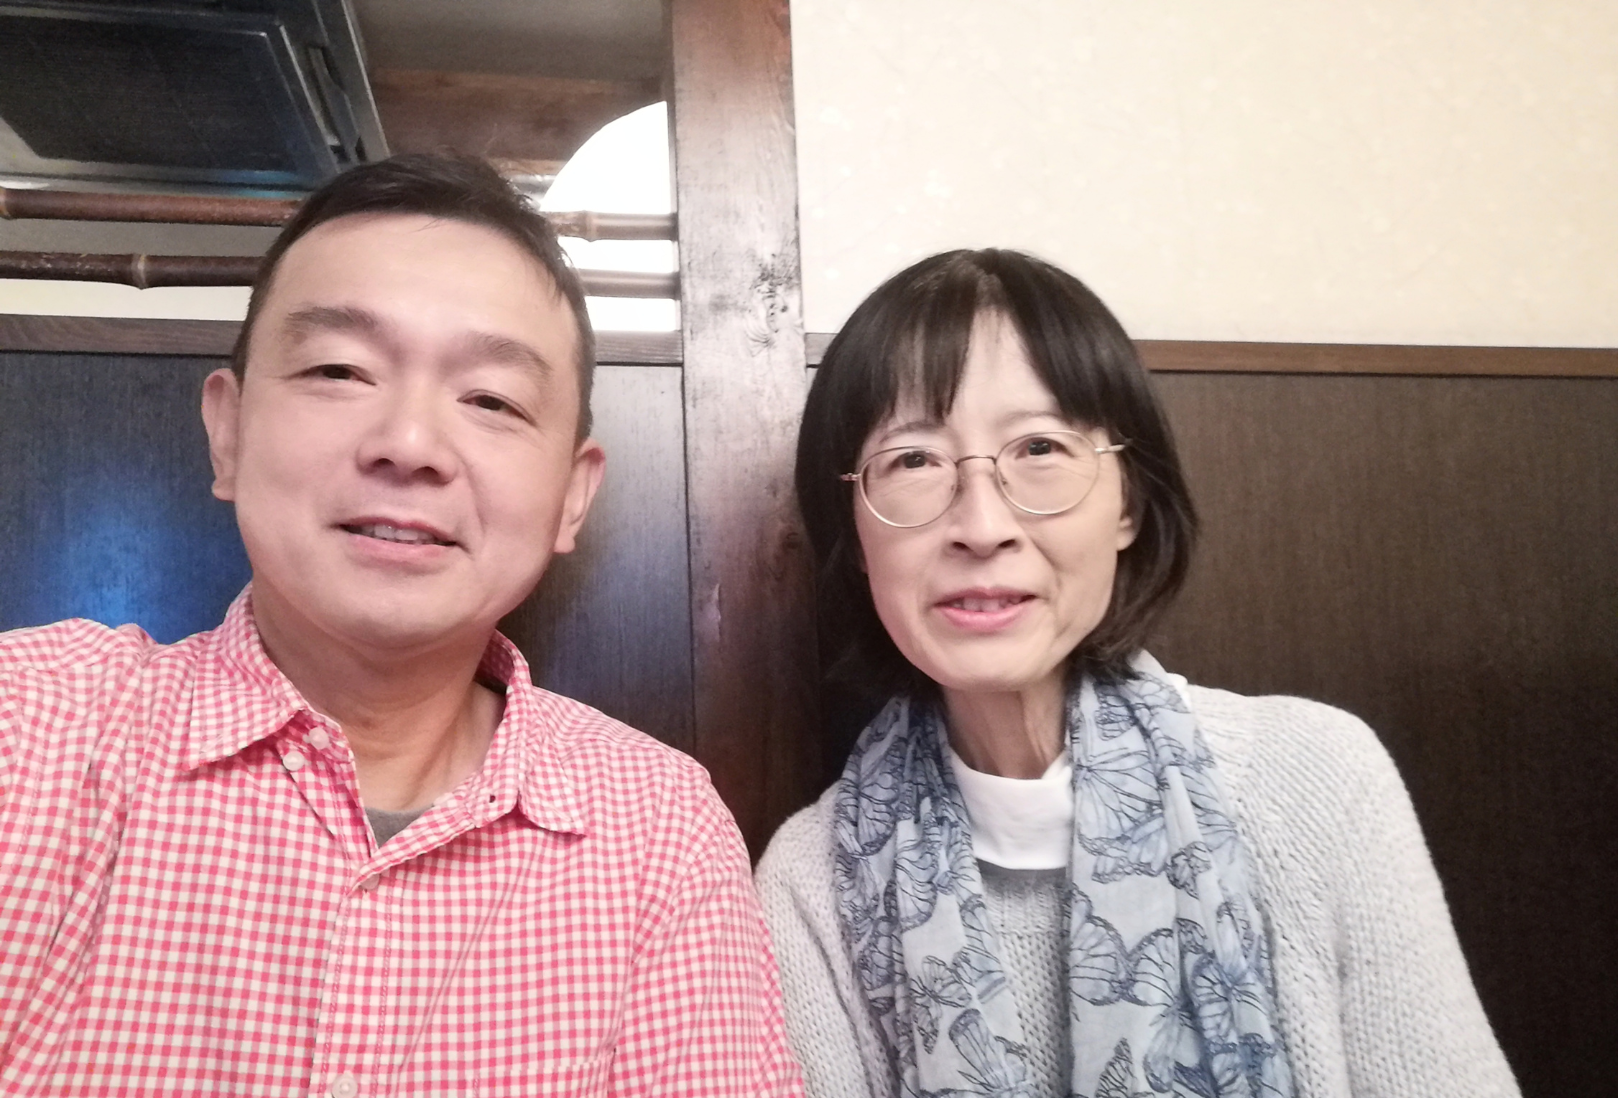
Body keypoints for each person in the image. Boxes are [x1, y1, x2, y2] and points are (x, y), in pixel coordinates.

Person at [0, 154, 802, 1097]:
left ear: (571, 498)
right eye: (339, 369)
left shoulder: (659, 827)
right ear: (229, 431)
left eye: (492, 399)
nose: (410, 445)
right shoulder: (32, 731)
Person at [756, 249, 1517, 1098]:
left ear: (1128, 502)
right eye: (913, 460)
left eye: (1039, 446)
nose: (982, 525)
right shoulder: (811, 878)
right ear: (856, 537)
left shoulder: (1316, 780)